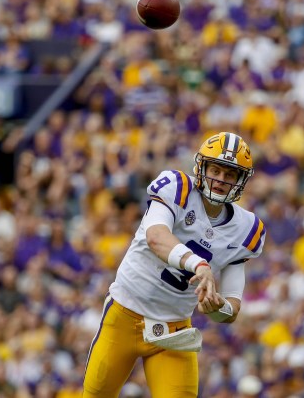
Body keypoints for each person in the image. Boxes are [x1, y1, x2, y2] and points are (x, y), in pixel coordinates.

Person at [83, 132, 265, 398]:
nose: (221, 180)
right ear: (201, 167)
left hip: (173, 331)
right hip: (124, 314)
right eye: (215, 170)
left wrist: (217, 308)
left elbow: (231, 307)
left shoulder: (247, 229)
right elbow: (156, 237)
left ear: (241, 180)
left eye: (230, 175)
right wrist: (200, 265)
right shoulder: (177, 186)